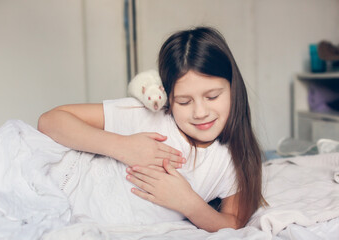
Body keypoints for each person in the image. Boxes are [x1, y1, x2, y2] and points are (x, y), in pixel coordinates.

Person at [38, 26, 266, 232]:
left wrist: (189, 203)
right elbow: (50, 121)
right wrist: (122, 146)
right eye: (184, 102)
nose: (200, 112)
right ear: (168, 97)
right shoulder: (151, 115)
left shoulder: (232, 161)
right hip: (54, 188)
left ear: (234, 88)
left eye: (212, 96)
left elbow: (233, 223)